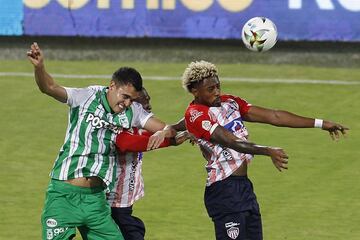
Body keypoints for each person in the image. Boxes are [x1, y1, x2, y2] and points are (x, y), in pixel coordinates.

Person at [181, 60, 348, 240]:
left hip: (244, 188)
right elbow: (231, 141)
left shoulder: (230, 103)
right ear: (195, 91)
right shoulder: (195, 114)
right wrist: (267, 150)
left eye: (218, 86)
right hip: (223, 190)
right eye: (211, 89)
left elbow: (274, 116)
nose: (217, 92)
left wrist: (321, 123)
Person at [27, 42, 176, 240]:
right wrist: (40, 68)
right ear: (112, 85)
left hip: (96, 201)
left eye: (132, 99)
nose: (127, 104)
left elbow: (167, 128)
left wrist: (163, 133)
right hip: (63, 195)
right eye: (125, 97)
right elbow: (49, 87)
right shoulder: (85, 97)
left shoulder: (133, 112)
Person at [108, 88, 189, 240]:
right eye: (144, 102)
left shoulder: (136, 129)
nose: (149, 106)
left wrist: (187, 129)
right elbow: (131, 143)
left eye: (149, 100)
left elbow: (158, 134)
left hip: (123, 202)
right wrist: (172, 140)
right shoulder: (117, 128)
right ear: (130, 105)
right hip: (111, 202)